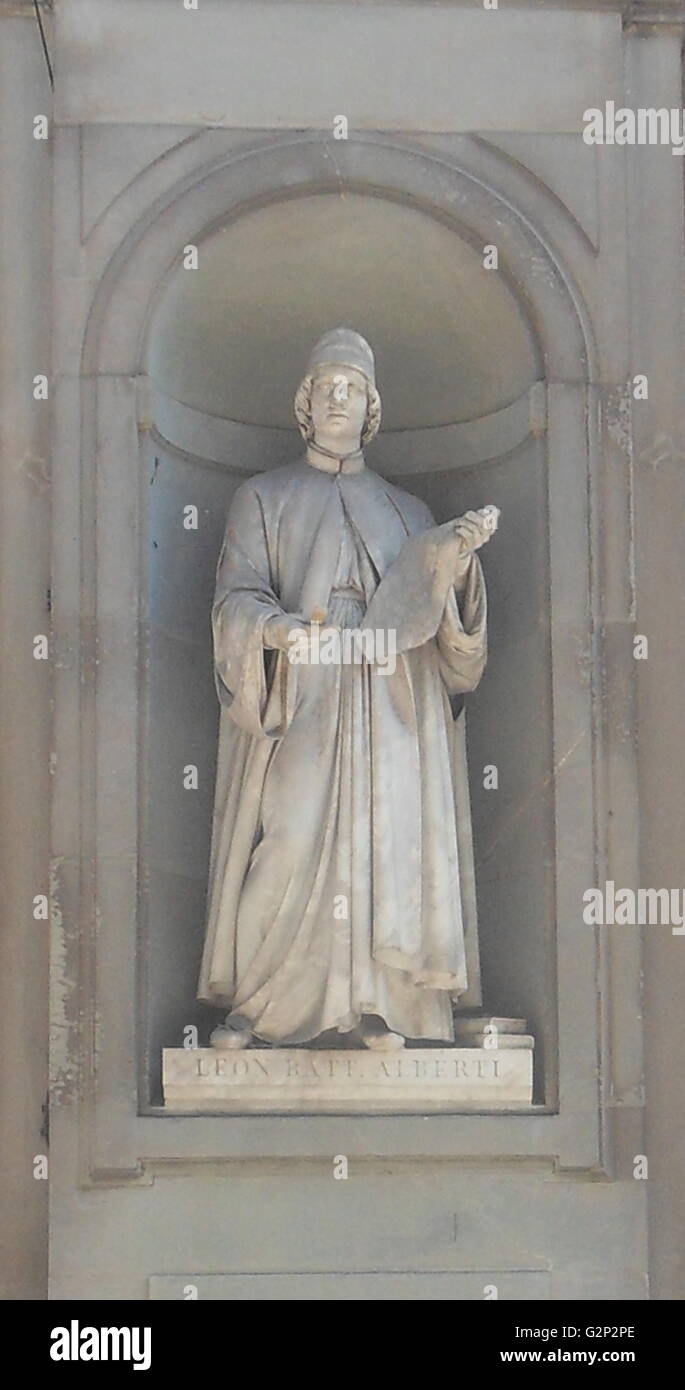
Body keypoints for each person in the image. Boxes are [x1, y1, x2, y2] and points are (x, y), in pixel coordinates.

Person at [197, 328, 498, 1051]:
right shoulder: (263, 496)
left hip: (392, 702)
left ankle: (381, 1005)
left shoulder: (407, 511)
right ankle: (262, 1003)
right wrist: (276, 633)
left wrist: (455, 565)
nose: (338, 395)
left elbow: (445, 638)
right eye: (325, 385)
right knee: (292, 834)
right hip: (306, 692)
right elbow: (232, 601)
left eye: (352, 387)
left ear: (371, 408)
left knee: (389, 840)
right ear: (304, 403)